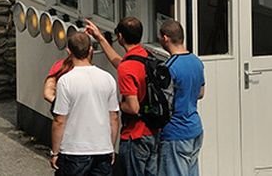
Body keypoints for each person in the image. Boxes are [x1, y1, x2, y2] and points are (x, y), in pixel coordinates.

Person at [84, 17, 157, 176]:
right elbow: (120, 63)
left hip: (135, 136)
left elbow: (132, 107)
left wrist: (113, 103)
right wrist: (100, 38)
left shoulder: (127, 68)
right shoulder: (146, 56)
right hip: (153, 131)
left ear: (121, 37)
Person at [50, 30, 119, 176]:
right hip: (102, 149)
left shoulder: (66, 81)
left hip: (74, 150)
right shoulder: (108, 78)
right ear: (91, 50)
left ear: (69, 51)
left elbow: (59, 121)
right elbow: (113, 117)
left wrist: (55, 152)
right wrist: (111, 147)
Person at [157, 20, 204, 176]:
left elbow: (165, 105)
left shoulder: (169, 68)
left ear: (165, 38)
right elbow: (201, 92)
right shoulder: (197, 62)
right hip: (195, 127)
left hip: (176, 132)